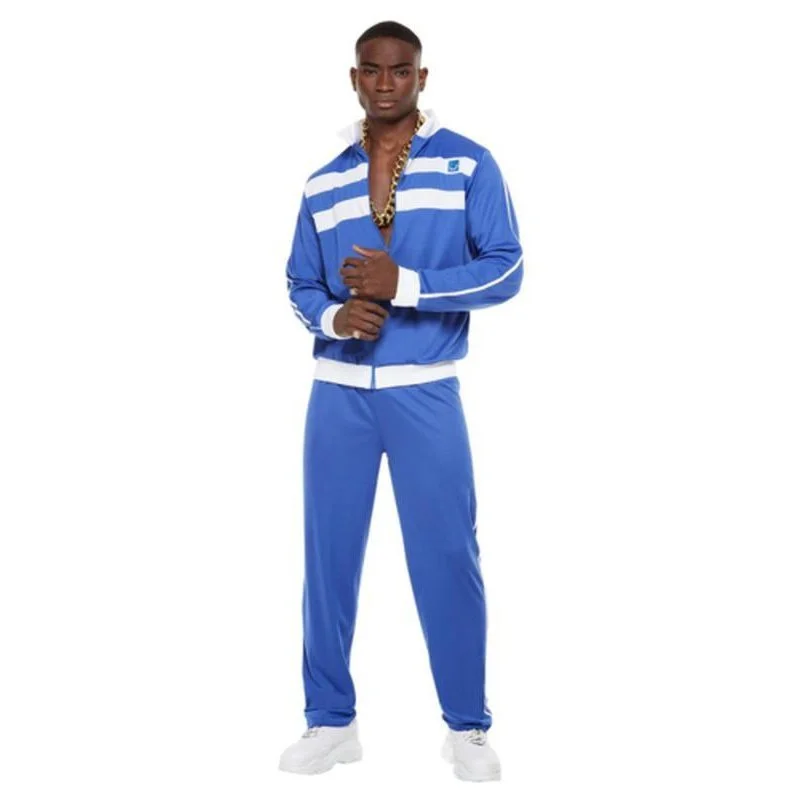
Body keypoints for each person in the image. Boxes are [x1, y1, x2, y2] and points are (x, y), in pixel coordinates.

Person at [279, 20, 524, 782]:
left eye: (400, 70)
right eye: (371, 69)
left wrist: (405, 285)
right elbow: (299, 281)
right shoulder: (322, 181)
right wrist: (334, 317)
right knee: (327, 559)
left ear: (422, 77)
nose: (385, 82)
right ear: (354, 78)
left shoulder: (467, 163)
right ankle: (330, 720)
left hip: (425, 390)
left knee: (447, 555)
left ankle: (467, 725)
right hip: (337, 396)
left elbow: (506, 268)